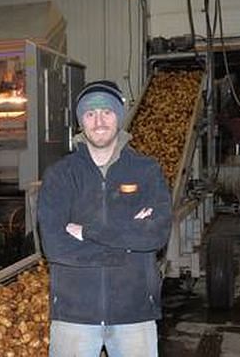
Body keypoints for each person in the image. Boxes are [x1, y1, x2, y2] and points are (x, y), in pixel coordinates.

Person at [37, 80, 172, 357]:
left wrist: (87, 231)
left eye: (106, 112)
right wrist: (124, 243)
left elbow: (155, 235)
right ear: (81, 122)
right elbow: (54, 244)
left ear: (119, 118)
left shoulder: (146, 171)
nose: (99, 121)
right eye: (90, 114)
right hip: (73, 315)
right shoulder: (60, 175)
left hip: (134, 312)